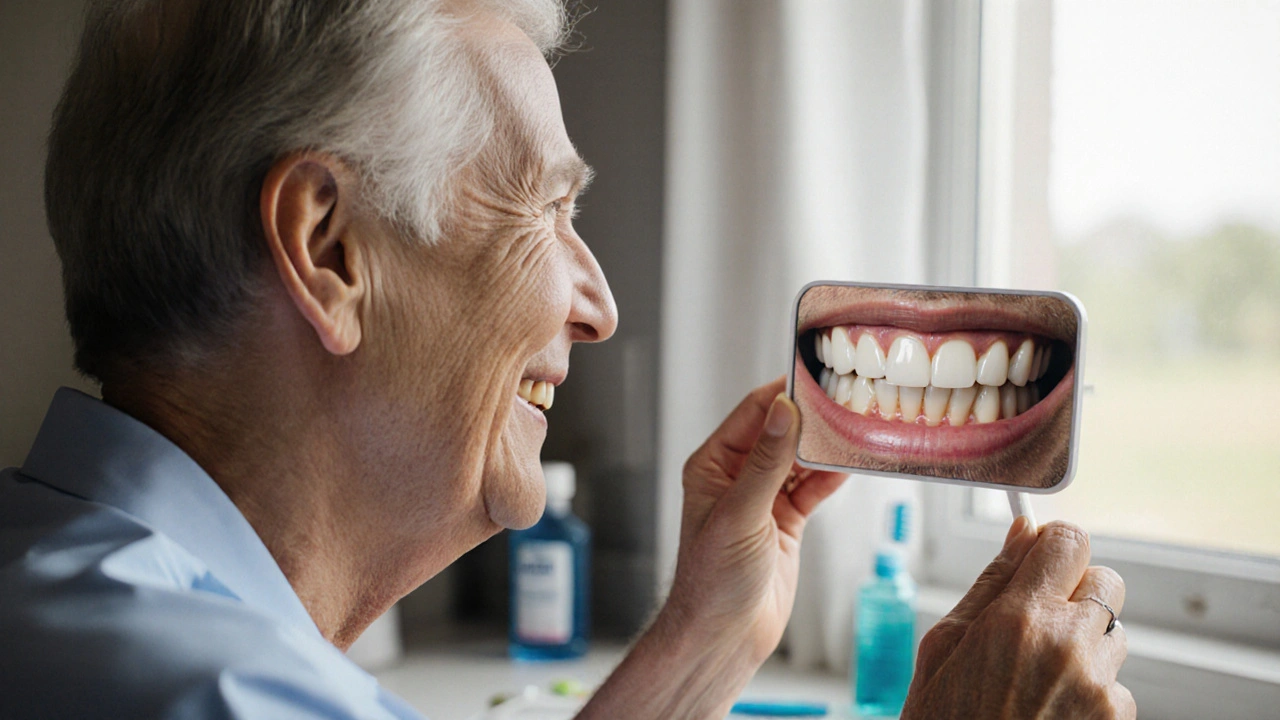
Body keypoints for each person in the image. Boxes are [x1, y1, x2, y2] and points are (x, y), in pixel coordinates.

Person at [0, 1, 1134, 717]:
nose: (597, 305)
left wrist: (705, 634)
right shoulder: (228, 694)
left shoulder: (68, 580)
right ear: (329, 248)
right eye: (546, 210)